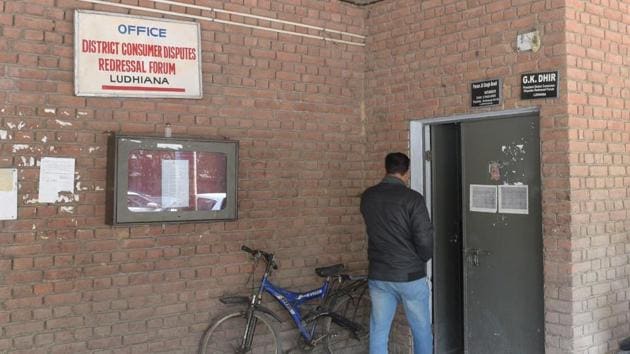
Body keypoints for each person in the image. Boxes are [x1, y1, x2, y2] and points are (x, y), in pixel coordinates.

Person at [360, 152, 434, 354]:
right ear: (407, 172)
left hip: (379, 274)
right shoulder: (413, 199)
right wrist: (421, 259)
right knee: (421, 331)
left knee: (379, 331)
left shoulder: (368, 196)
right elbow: (425, 240)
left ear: (386, 169)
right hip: (409, 275)